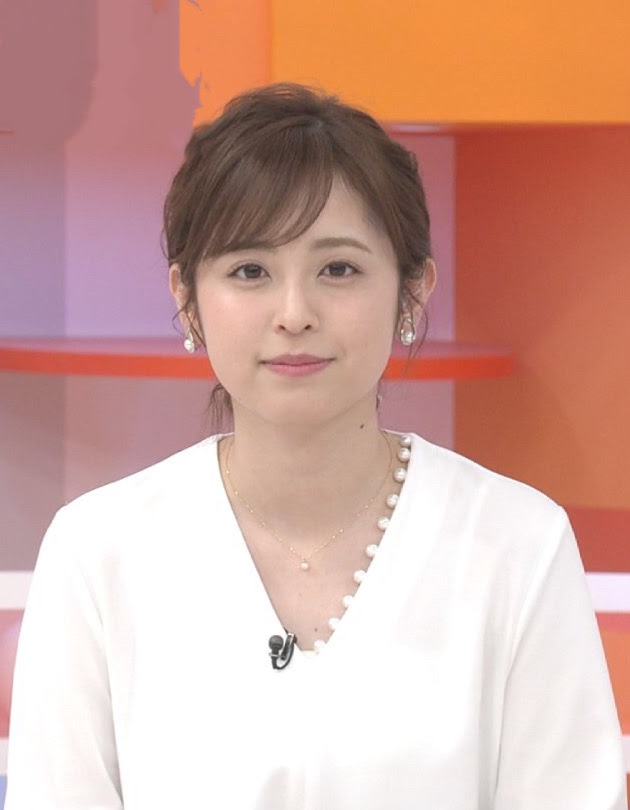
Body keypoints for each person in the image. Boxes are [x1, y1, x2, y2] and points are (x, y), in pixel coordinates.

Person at [5, 83, 626, 810]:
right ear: (186, 299)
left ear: (412, 291)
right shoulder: (96, 550)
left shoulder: (518, 544)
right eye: (250, 271)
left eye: (339, 269)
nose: (294, 314)